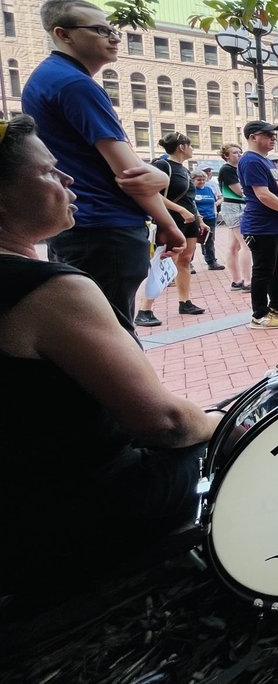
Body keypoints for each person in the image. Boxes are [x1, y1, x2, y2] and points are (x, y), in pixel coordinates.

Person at [0, 114, 220, 593]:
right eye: (48, 170)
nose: (67, 178)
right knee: (231, 445)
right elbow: (166, 423)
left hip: (19, 512)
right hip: (67, 518)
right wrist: (222, 422)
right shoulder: (48, 290)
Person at [21, 0, 183, 336]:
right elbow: (131, 175)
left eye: (112, 30)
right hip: (106, 230)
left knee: (91, 333)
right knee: (115, 339)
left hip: (81, 227)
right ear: (63, 34)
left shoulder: (45, 78)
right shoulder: (76, 85)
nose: (112, 37)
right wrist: (168, 221)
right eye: (98, 30)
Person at [135, 133, 208, 326]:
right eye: (190, 145)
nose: (192, 149)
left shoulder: (183, 170)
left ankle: (185, 301)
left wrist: (199, 219)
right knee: (164, 261)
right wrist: (180, 210)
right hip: (171, 220)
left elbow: (189, 198)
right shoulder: (162, 165)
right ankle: (145, 309)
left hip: (189, 220)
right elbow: (152, 194)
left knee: (185, 261)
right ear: (181, 147)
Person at [239, 121, 278, 330]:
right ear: (252, 137)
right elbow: (263, 195)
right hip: (261, 226)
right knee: (263, 270)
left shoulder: (265, 161)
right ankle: (259, 315)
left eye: (274, 135)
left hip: (275, 225)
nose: (273, 138)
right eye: (268, 135)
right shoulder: (251, 161)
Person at [217, 143, 252, 292]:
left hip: (237, 206)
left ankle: (237, 280)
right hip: (234, 206)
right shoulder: (227, 169)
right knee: (246, 245)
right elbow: (239, 191)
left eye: (240, 152)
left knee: (234, 246)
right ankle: (247, 281)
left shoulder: (237, 169)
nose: (239, 155)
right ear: (226, 156)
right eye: (235, 152)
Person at [193, 171, 223, 271]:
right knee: (192, 241)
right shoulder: (192, 190)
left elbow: (214, 202)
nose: (201, 181)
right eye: (198, 180)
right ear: (193, 180)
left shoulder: (208, 189)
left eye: (203, 179)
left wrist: (214, 212)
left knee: (209, 241)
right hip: (196, 219)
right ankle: (188, 263)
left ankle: (211, 262)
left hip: (210, 218)